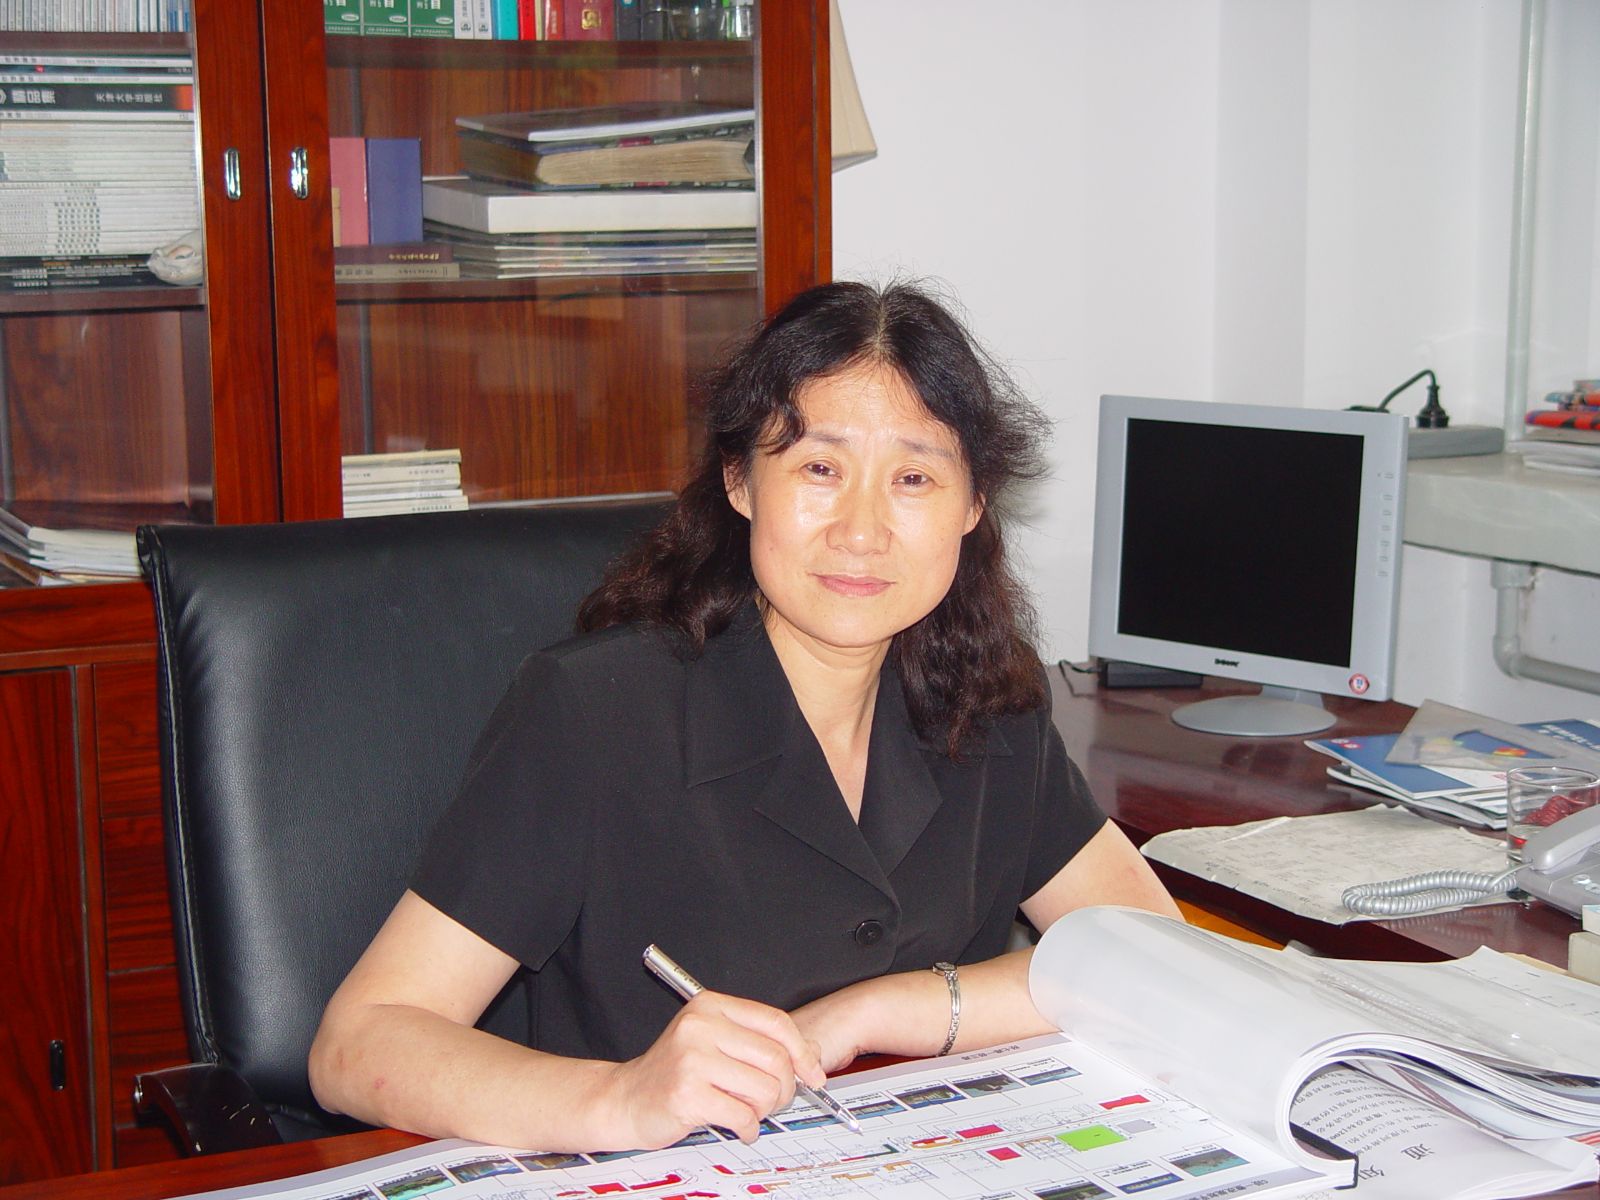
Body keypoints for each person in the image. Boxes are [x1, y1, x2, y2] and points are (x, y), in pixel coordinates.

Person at [308, 279, 1178, 1155]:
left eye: (914, 478)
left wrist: (879, 1011)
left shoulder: (987, 700)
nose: (862, 530)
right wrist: (619, 1097)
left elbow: (1152, 957)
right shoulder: (599, 712)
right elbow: (359, 1044)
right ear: (740, 481)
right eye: (819, 469)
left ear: (973, 504)